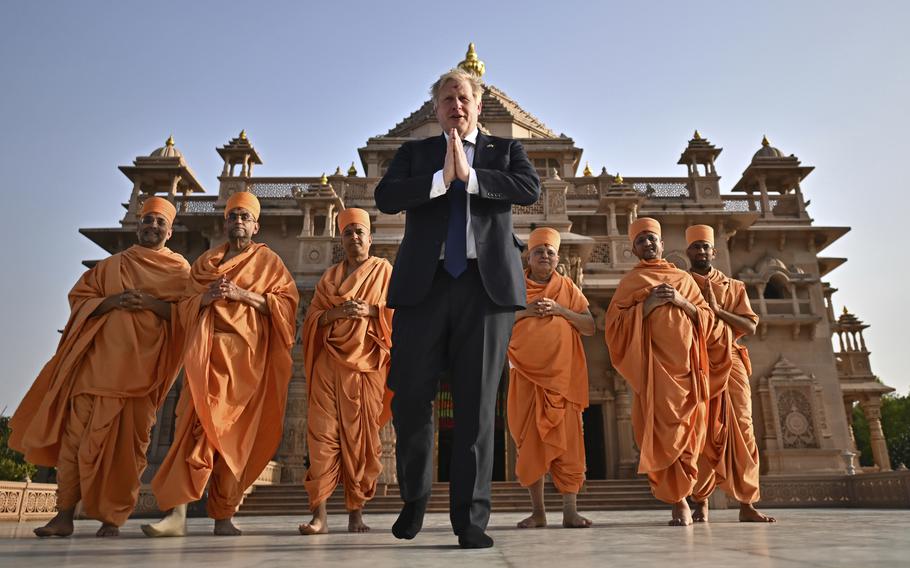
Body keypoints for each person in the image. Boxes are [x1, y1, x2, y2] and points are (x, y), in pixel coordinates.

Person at [374, 67, 540, 548]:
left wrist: (469, 179)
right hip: (424, 286)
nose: (456, 105)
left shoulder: (505, 151)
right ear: (436, 108)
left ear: (477, 105)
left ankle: (470, 520)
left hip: (484, 289)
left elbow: (527, 189)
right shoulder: (415, 152)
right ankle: (415, 498)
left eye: (463, 97)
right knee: (409, 398)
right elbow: (385, 197)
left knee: (476, 405)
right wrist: (438, 180)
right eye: (447, 98)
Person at [10, 197, 190, 537]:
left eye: (159, 222)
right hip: (95, 370)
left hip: (142, 375)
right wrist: (111, 302)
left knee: (128, 449)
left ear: (170, 230)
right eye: (147, 221)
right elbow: (80, 301)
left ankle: (112, 518)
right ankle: (63, 516)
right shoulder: (111, 267)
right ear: (138, 225)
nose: (152, 227)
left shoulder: (180, 272)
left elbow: (190, 316)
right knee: (74, 445)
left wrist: (152, 304)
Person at [141, 191, 298, 537]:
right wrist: (204, 298)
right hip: (204, 356)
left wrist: (242, 295)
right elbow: (181, 308)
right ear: (225, 222)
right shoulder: (204, 264)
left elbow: (287, 308)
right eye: (233, 216)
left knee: (232, 438)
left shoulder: (270, 263)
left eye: (244, 217)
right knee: (190, 431)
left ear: (256, 226)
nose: (237, 222)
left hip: (245, 363)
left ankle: (224, 515)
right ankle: (176, 515)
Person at [604, 217, 713, 526]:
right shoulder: (630, 283)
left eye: (652, 239)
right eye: (641, 241)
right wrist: (646, 306)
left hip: (689, 368)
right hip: (654, 371)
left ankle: (697, 498)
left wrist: (681, 301)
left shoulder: (684, 280)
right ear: (633, 249)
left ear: (663, 244)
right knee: (661, 433)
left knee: (693, 434)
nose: (648, 244)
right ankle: (678, 501)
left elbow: (707, 318)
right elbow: (613, 326)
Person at [298, 208, 394, 535]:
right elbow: (312, 320)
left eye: (359, 232)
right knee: (321, 439)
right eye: (348, 232)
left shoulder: (384, 272)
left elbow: (401, 315)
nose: (354, 237)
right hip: (329, 364)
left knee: (362, 441)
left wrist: (371, 311)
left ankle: (356, 513)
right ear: (341, 239)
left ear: (371, 238)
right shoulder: (328, 278)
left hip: (368, 367)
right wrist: (337, 312)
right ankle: (319, 516)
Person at [684, 224, 775, 523]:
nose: (700, 251)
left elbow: (749, 326)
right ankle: (701, 500)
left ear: (714, 251)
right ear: (687, 252)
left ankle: (747, 503)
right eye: (695, 246)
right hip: (694, 360)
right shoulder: (683, 284)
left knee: (742, 429)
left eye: (704, 247)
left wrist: (716, 310)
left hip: (731, 359)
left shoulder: (734, 287)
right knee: (700, 431)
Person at [507, 227, 595, 530]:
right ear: (528, 257)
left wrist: (560, 310)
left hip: (563, 380)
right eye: (538, 251)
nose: (545, 255)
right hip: (526, 376)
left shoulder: (568, 287)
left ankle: (570, 510)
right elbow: (496, 321)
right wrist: (527, 311)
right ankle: (538, 512)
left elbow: (589, 326)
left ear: (558, 258)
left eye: (550, 252)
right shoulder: (514, 284)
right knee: (530, 443)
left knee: (569, 444)